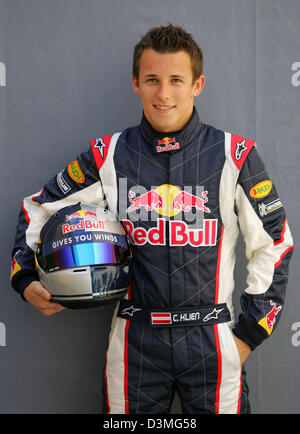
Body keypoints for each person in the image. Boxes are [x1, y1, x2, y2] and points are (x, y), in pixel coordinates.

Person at [10, 24, 294, 414]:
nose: (163, 93)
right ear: (136, 83)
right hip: (135, 339)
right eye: (152, 80)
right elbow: (39, 207)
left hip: (211, 337)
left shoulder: (235, 154)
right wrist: (24, 278)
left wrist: (248, 334)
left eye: (176, 80)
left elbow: (275, 243)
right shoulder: (108, 153)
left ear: (197, 84)